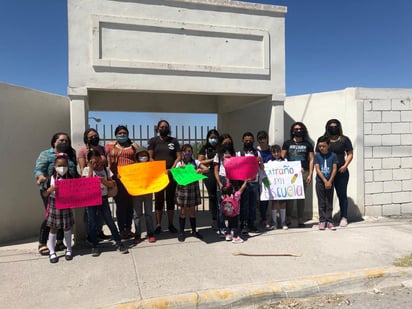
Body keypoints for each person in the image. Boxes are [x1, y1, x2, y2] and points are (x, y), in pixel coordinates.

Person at [34, 132, 77, 256]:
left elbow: (73, 171)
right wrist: (40, 177)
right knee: (51, 217)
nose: (64, 143)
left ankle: (59, 242)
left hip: (66, 191)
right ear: (54, 142)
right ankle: (42, 243)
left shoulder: (70, 155)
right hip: (50, 191)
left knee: (63, 217)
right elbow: (39, 170)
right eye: (61, 140)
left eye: (66, 141)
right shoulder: (46, 155)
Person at [82, 150, 129, 256]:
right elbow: (86, 183)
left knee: (110, 221)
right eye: (93, 162)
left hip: (103, 199)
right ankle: (95, 245)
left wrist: (103, 181)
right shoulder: (86, 170)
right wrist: (90, 168)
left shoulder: (106, 170)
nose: (96, 164)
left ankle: (118, 242)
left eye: (97, 160)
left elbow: (111, 184)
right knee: (92, 223)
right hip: (91, 199)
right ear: (89, 161)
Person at [317, 119, 353, 227]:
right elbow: (317, 155)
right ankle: (326, 219)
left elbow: (350, 154)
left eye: (335, 126)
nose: (333, 128)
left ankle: (344, 217)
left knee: (342, 195)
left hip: (341, 172)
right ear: (327, 127)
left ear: (339, 127)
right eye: (331, 126)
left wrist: (345, 165)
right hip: (326, 173)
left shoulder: (344, 139)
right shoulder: (323, 140)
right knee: (326, 197)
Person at [148, 120, 181, 234]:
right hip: (159, 175)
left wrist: (171, 169)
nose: (164, 128)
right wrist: (159, 169)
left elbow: (178, 157)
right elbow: (150, 156)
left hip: (171, 174)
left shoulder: (174, 141)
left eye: (166, 127)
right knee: (158, 200)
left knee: (170, 199)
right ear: (157, 129)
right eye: (161, 127)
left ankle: (171, 224)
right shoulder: (154, 141)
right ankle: (158, 225)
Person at [105, 125, 138, 239]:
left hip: (131, 180)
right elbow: (107, 162)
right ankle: (122, 230)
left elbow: (139, 160)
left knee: (130, 204)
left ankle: (128, 229)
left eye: (124, 133)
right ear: (116, 135)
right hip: (117, 179)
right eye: (120, 133)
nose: (122, 135)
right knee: (120, 205)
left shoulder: (133, 146)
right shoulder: (110, 146)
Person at [77, 128, 110, 241]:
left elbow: (107, 165)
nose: (94, 138)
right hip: (90, 185)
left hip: (102, 183)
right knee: (90, 213)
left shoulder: (103, 149)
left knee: (101, 212)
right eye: (91, 137)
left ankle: (99, 231)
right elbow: (82, 169)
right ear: (86, 139)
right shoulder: (82, 151)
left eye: (95, 135)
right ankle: (90, 234)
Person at [41, 153, 75, 263]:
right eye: (59, 165)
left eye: (64, 165)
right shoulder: (49, 179)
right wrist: (51, 189)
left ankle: (69, 249)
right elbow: (45, 194)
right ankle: (52, 252)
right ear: (55, 166)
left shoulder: (70, 177)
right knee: (53, 227)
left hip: (66, 204)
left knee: (67, 227)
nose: (62, 168)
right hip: (54, 204)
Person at [281, 122, 314, 228]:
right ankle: (288, 217)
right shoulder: (287, 143)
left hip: (304, 172)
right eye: (296, 129)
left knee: (301, 196)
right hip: (290, 174)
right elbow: (282, 158)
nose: (298, 131)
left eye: (300, 129)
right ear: (292, 131)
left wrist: (310, 174)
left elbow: (311, 159)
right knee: (290, 196)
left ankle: (300, 219)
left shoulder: (308, 144)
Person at [175, 144, 209, 242]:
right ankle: (181, 232)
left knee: (192, 211)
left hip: (193, 188)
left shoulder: (196, 162)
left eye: (190, 151)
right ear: (182, 153)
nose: (188, 153)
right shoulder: (179, 163)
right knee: (183, 211)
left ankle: (194, 231)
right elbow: (175, 178)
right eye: (186, 151)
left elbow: (206, 169)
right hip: (183, 189)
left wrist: (200, 170)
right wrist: (179, 170)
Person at [236, 131, 261, 234]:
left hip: (254, 181)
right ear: (242, 141)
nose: (248, 142)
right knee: (244, 204)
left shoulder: (257, 152)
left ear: (253, 141)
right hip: (243, 183)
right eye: (246, 140)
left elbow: (261, 167)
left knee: (253, 204)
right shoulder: (239, 153)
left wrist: (260, 161)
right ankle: (243, 224)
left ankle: (252, 223)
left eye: (250, 141)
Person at [213, 133, 236, 238]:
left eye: (229, 143)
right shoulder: (217, 156)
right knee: (221, 206)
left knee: (232, 205)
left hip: (232, 179)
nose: (227, 144)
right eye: (225, 143)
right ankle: (222, 227)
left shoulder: (234, 154)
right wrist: (220, 183)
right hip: (222, 180)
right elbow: (216, 171)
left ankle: (232, 227)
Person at [132, 148, 156, 245]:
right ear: (137, 157)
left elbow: (158, 173)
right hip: (136, 193)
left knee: (149, 214)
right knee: (137, 215)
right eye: (141, 155)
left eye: (144, 155)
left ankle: (150, 233)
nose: (143, 157)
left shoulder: (151, 166)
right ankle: (137, 234)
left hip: (148, 193)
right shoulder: (133, 167)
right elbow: (128, 177)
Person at [314, 136, 338, 230]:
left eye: (323, 146)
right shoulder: (317, 156)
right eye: (320, 146)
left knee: (329, 202)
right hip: (320, 182)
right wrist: (324, 180)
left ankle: (329, 221)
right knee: (321, 202)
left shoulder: (333, 155)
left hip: (330, 182)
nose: (321, 148)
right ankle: (322, 221)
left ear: (328, 145)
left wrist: (329, 181)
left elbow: (335, 168)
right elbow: (317, 169)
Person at [198, 129, 220, 230]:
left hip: (221, 172)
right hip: (210, 173)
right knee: (213, 196)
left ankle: (223, 217)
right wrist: (213, 159)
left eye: (215, 137)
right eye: (211, 138)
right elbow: (200, 161)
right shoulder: (205, 148)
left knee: (222, 196)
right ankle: (214, 218)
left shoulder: (221, 147)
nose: (213, 139)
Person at [256, 130, 273, 230]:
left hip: (267, 178)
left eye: (264, 138)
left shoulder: (271, 149)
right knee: (258, 198)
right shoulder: (255, 150)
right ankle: (260, 216)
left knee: (265, 197)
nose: (262, 140)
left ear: (267, 139)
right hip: (257, 177)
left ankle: (264, 218)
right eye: (260, 139)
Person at [269, 144, 288, 230]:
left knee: (282, 203)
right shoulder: (269, 163)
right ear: (272, 153)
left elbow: (290, 172)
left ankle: (283, 222)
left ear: (281, 152)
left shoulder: (285, 161)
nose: (276, 154)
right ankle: (274, 222)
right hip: (273, 186)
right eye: (274, 152)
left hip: (283, 186)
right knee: (274, 203)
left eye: (278, 152)